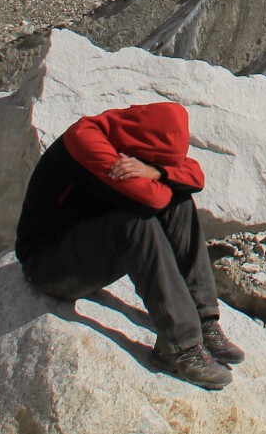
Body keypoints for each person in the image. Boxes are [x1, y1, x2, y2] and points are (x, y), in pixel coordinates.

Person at [14, 101, 246, 389]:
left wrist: (158, 172)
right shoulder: (86, 142)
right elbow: (153, 200)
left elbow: (195, 176)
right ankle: (178, 348)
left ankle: (203, 319)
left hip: (81, 242)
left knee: (181, 200)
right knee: (136, 222)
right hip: (46, 262)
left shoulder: (129, 135)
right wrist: (158, 175)